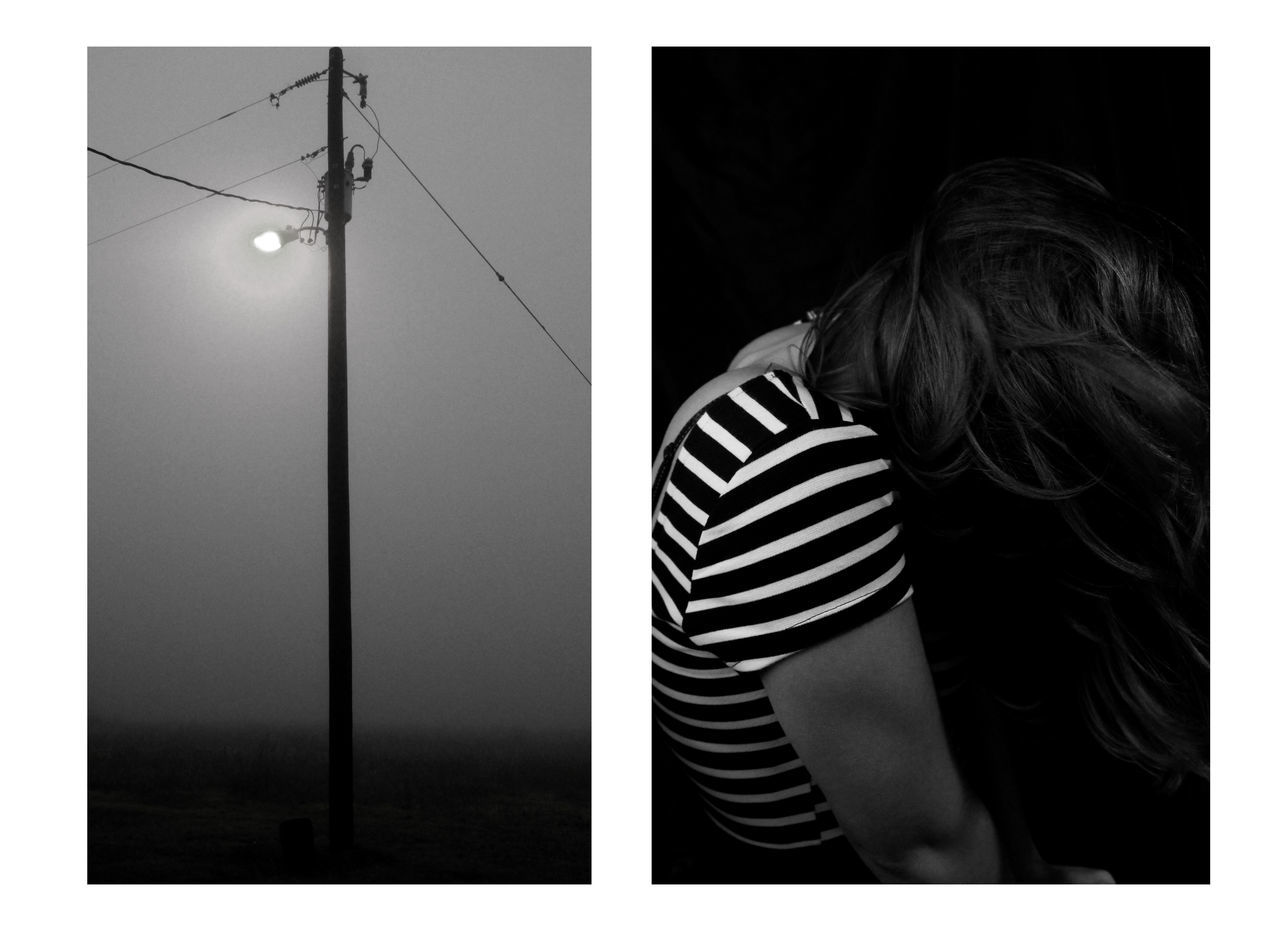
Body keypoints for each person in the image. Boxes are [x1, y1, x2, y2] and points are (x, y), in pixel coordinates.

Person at [651, 158, 1208, 882]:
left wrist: (1034, 876)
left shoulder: (817, 350)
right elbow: (922, 849)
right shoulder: (796, 462)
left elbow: (952, 689)